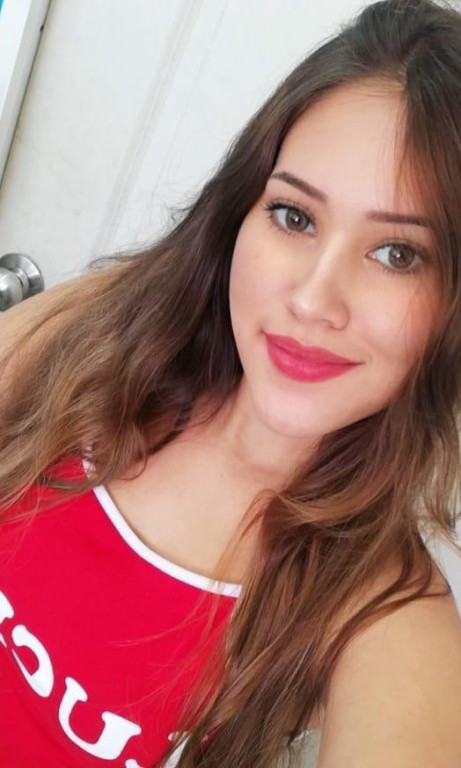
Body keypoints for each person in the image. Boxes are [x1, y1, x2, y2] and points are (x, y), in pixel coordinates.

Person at [1, 0, 461, 765]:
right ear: (239, 211)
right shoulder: (107, 331)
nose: (312, 300)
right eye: (294, 216)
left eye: (397, 255)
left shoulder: (381, 617)